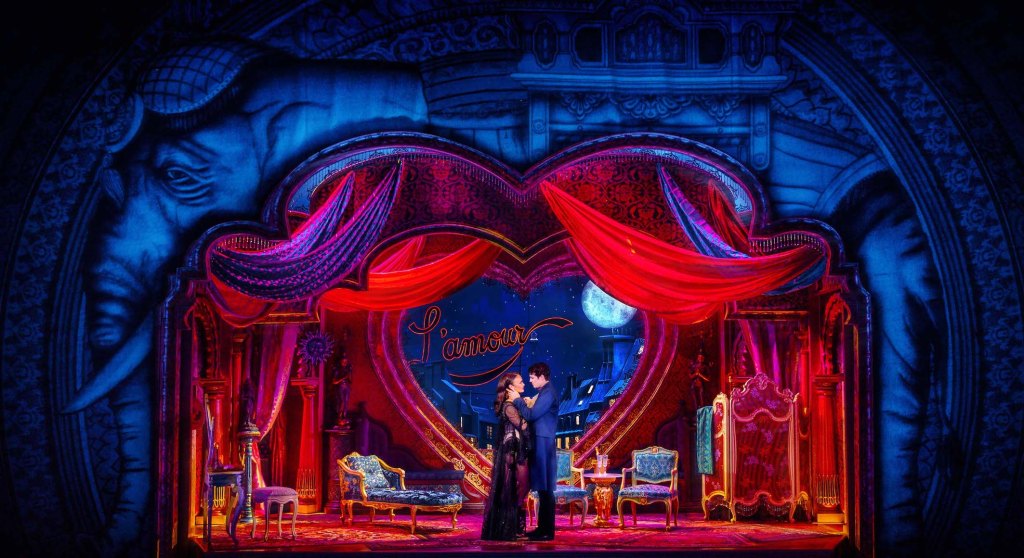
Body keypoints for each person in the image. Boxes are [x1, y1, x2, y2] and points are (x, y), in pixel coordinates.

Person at [508, 362, 558, 541]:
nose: (530, 381)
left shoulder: (548, 392)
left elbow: (531, 415)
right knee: (543, 489)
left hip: (543, 443)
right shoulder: (545, 392)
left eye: (532, 378)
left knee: (546, 489)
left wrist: (517, 400)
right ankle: (542, 529)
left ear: (542, 377)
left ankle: (546, 532)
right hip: (541, 442)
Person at [480, 373, 532, 541]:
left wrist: (525, 403)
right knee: (515, 487)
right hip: (512, 450)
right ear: (511, 387)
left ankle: (513, 525)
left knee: (520, 487)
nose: (524, 384)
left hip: (516, 449)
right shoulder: (509, 406)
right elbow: (523, 426)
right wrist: (530, 410)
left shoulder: (512, 404)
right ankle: (509, 527)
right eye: (520, 382)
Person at [331, 353, 353, 425]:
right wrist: (343, 378)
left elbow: (350, 380)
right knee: (342, 401)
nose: (345, 363)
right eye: (343, 361)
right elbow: (334, 382)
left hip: (347, 387)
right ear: (340, 362)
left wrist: (350, 372)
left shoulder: (347, 370)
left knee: (346, 402)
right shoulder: (337, 370)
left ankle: (344, 416)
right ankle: (339, 417)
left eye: (346, 362)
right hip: (340, 387)